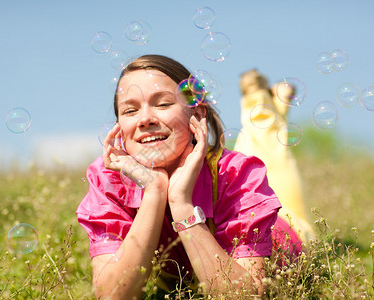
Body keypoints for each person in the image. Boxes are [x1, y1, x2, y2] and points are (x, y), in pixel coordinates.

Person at [76, 55, 295, 299]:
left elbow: (245, 295)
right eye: (130, 110)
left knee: (271, 148)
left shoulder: (237, 173)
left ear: (198, 114)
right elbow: (112, 296)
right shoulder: (109, 179)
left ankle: (268, 103)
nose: (145, 119)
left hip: (285, 233)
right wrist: (155, 192)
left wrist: (181, 203)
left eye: (163, 104)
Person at [234, 69, 315, 246]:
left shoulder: (261, 129)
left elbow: (264, 115)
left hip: (280, 227)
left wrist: (258, 93)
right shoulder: (266, 128)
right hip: (288, 229)